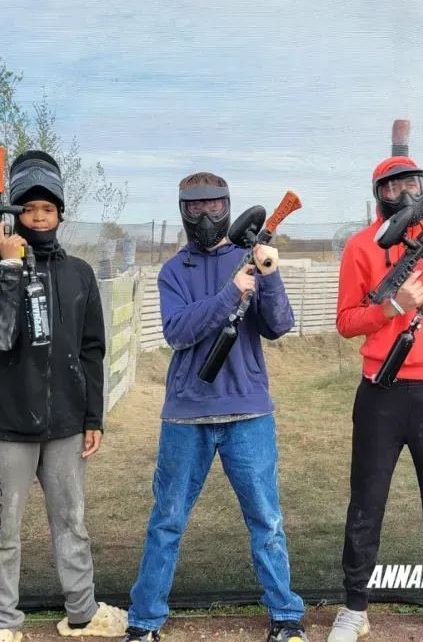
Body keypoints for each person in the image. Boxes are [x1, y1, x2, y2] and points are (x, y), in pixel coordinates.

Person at [123, 173, 308, 642]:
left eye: (214, 205)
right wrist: (232, 292)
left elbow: (279, 325)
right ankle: (144, 623)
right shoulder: (173, 271)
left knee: (266, 520)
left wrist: (269, 273)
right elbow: (178, 331)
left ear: (228, 205)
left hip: (249, 413)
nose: (205, 215)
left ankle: (286, 617)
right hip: (187, 414)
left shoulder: (251, 258)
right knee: (167, 520)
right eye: (195, 207)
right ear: (182, 210)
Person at [327, 156, 423, 642]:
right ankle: (355, 608)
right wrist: (393, 306)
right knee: (366, 502)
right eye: (393, 187)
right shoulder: (361, 246)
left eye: (412, 183)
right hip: (380, 393)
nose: (404, 193)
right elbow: (346, 321)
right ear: (379, 194)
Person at [0, 151, 127, 642]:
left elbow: (92, 351)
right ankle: (4, 623)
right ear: (14, 214)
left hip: (65, 424)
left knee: (72, 524)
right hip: (10, 426)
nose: (39, 217)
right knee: (4, 532)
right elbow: (1, 336)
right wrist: (12, 267)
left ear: (60, 213)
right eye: (28, 209)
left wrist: (93, 417)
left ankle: (81, 613)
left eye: (48, 208)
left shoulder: (80, 273)